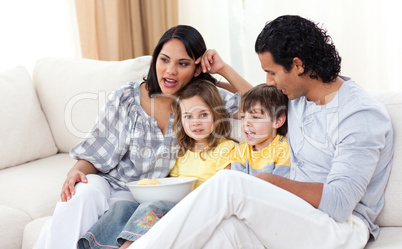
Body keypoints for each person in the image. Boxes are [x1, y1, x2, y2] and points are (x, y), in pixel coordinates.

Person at [127, 15, 394, 249]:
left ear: (298, 65)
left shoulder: (360, 114)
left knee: (228, 183)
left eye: (271, 72)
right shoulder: (297, 97)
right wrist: (222, 70)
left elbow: (338, 204)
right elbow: (256, 102)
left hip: (339, 230)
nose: (268, 81)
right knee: (222, 233)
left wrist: (266, 181)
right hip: (293, 215)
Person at [34, 25, 251, 249]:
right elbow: (96, 150)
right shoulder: (126, 96)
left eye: (182, 63)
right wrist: (76, 172)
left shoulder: (202, 101)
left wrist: (223, 69)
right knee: (80, 195)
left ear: (196, 69)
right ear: (155, 60)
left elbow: (263, 105)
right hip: (110, 183)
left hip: (147, 196)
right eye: (164, 60)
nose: (170, 71)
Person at [77, 79, 237, 249]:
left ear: (216, 115)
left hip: (198, 208)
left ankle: (127, 246)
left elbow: (226, 187)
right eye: (188, 116)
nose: (195, 122)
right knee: (121, 207)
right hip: (174, 206)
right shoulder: (180, 152)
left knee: (152, 207)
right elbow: (170, 184)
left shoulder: (226, 148)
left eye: (203, 115)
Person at [230, 84, 290, 177]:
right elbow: (236, 183)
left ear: (277, 121)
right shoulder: (240, 150)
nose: (246, 123)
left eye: (255, 117)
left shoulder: (284, 149)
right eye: (243, 117)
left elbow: (279, 186)